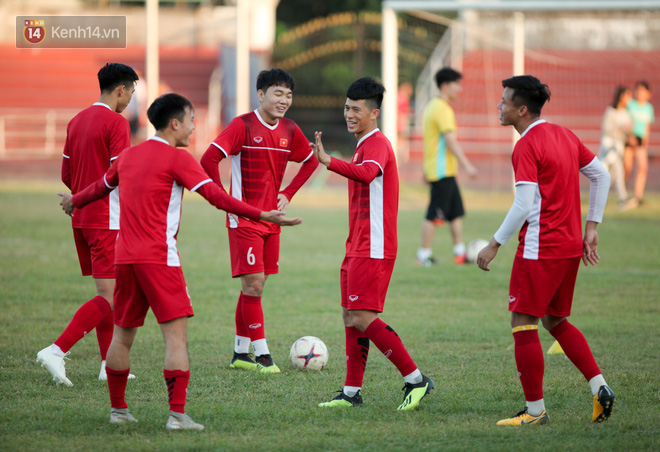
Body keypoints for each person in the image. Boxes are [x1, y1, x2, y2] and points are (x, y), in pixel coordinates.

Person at [58, 93, 302, 429]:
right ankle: (177, 414)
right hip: (160, 259)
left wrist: (74, 200)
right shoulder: (178, 159)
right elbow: (217, 198)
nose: (194, 126)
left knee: (122, 336)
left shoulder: (129, 156)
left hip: (124, 258)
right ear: (175, 123)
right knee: (176, 339)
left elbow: (100, 187)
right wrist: (264, 215)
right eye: (191, 120)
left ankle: (118, 411)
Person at [477, 75, 615, 426]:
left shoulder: (525, 146)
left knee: (523, 322)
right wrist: (591, 228)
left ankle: (535, 411)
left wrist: (494, 244)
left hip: (541, 248)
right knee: (555, 320)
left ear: (521, 109)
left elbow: (523, 205)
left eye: (505, 100)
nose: (499, 105)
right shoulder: (565, 135)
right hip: (569, 247)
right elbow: (602, 175)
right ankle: (600, 387)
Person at [312, 77, 433, 411]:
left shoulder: (377, 143)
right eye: (347, 108)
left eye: (356, 109)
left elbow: (366, 174)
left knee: (363, 317)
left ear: (374, 113)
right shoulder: (363, 142)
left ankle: (415, 379)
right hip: (358, 244)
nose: (349, 114)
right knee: (351, 318)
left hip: (374, 246)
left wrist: (329, 162)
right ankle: (351, 393)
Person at [200, 68, 318, 373]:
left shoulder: (290, 129)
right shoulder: (242, 125)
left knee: (256, 284)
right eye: (278, 93)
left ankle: (240, 354)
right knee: (253, 285)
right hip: (244, 219)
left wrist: (288, 192)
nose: (284, 100)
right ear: (261, 94)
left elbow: (311, 160)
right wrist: (223, 199)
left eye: (289, 95)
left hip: (272, 219)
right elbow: (209, 158)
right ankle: (263, 356)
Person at [37, 63, 139, 387]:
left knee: (105, 293)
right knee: (109, 297)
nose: (131, 100)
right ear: (121, 89)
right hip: (106, 219)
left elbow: (66, 175)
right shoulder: (117, 123)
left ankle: (107, 366)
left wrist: (78, 198)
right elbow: (120, 174)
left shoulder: (76, 121)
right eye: (132, 92)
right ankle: (56, 350)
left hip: (81, 220)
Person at [417, 67, 477, 267]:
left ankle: (460, 253)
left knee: (455, 212)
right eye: (456, 84)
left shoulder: (434, 106)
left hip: (444, 171)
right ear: (445, 85)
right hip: (442, 172)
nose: (460, 89)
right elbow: (449, 140)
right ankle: (423, 255)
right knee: (434, 214)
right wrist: (467, 166)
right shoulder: (441, 108)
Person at [599, 86, 635, 210]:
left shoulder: (627, 113)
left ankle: (605, 197)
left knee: (614, 173)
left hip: (619, 146)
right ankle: (621, 198)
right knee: (608, 171)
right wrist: (620, 129)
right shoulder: (611, 111)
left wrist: (628, 135)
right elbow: (607, 128)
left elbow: (629, 131)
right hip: (609, 146)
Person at [624, 80, 655, 206]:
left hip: (641, 140)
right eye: (639, 90)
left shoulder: (648, 107)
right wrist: (629, 136)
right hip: (629, 139)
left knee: (642, 168)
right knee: (627, 168)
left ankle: (638, 196)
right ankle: (623, 193)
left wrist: (646, 140)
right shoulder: (630, 105)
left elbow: (647, 125)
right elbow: (625, 121)